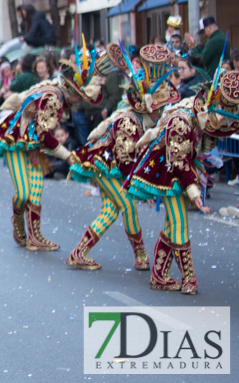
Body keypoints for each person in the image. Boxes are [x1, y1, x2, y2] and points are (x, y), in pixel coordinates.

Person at [127, 67, 239, 294]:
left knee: (172, 224)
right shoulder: (182, 120)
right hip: (167, 172)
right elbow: (178, 162)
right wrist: (195, 194)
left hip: (178, 169)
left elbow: (196, 150)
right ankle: (189, 278)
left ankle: (159, 275)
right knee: (179, 224)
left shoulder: (199, 116)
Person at [66, 44, 176, 271]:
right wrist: (140, 186)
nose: (160, 112)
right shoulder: (129, 121)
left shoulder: (139, 120)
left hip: (109, 166)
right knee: (127, 206)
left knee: (110, 211)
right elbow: (127, 162)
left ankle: (79, 253)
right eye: (158, 108)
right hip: (104, 166)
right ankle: (141, 256)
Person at [0, 45, 105, 251]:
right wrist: (67, 156)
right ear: (70, 91)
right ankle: (18, 222)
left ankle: (35, 236)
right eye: (77, 96)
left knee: (36, 190)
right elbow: (44, 136)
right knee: (23, 193)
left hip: (34, 146)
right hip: (17, 142)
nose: (78, 101)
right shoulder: (53, 98)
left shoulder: (56, 95)